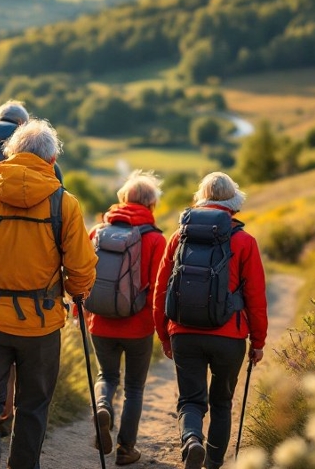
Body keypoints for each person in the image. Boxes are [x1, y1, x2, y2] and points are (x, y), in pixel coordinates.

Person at [0, 119, 97, 469]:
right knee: (33, 405)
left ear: (10, 154)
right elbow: (82, 269)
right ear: (52, 161)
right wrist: (74, 291)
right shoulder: (64, 204)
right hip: (41, 325)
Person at [151, 172, 268, 469]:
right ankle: (213, 462)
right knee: (221, 402)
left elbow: (161, 288)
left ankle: (191, 440)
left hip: (184, 332)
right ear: (233, 202)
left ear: (200, 198)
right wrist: (258, 340)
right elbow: (255, 295)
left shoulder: (179, 236)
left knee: (190, 400)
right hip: (229, 336)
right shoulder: (244, 240)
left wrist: (165, 334)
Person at [85, 171, 167, 466]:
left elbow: (82, 275)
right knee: (134, 387)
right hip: (138, 327)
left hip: (101, 322)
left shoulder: (97, 232)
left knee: (106, 376)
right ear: (152, 205)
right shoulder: (157, 240)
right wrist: (162, 327)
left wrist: (79, 310)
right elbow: (161, 289)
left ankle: (104, 406)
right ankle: (125, 449)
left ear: (122, 199)